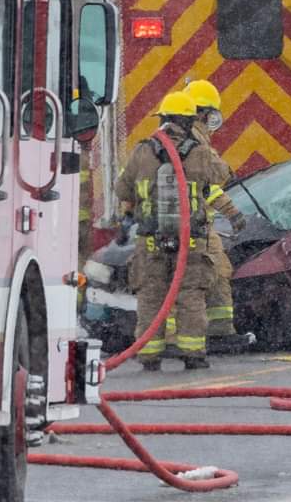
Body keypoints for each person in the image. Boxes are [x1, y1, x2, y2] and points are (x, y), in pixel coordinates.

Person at [115, 91, 232, 371]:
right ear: (191, 121)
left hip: (150, 241)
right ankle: (193, 355)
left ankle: (149, 357)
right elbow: (224, 175)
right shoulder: (200, 152)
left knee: (150, 297)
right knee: (191, 295)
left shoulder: (142, 151)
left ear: (164, 119)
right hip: (190, 240)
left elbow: (122, 189)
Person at [183, 79, 247, 351]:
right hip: (194, 227)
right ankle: (210, 337)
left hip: (188, 224)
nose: (212, 120)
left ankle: (219, 332)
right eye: (210, 114)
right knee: (205, 279)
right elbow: (212, 179)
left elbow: (204, 188)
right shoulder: (193, 145)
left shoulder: (180, 142)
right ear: (200, 113)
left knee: (213, 276)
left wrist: (232, 211)